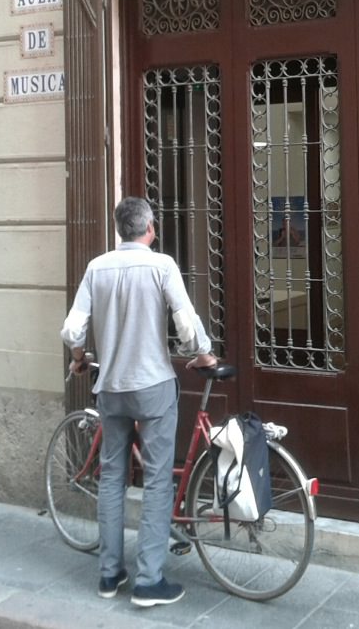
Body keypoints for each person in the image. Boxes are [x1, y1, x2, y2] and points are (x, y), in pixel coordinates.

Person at [60, 196, 217, 608]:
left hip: (111, 388)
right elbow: (185, 322)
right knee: (157, 479)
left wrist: (80, 360)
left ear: (119, 230)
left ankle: (110, 574)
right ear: (150, 229)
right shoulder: (161, 265)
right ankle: (149, 581)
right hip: (153, 387)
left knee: (112, 478)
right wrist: (202, 353)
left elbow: (73, 328)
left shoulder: (97, 267)